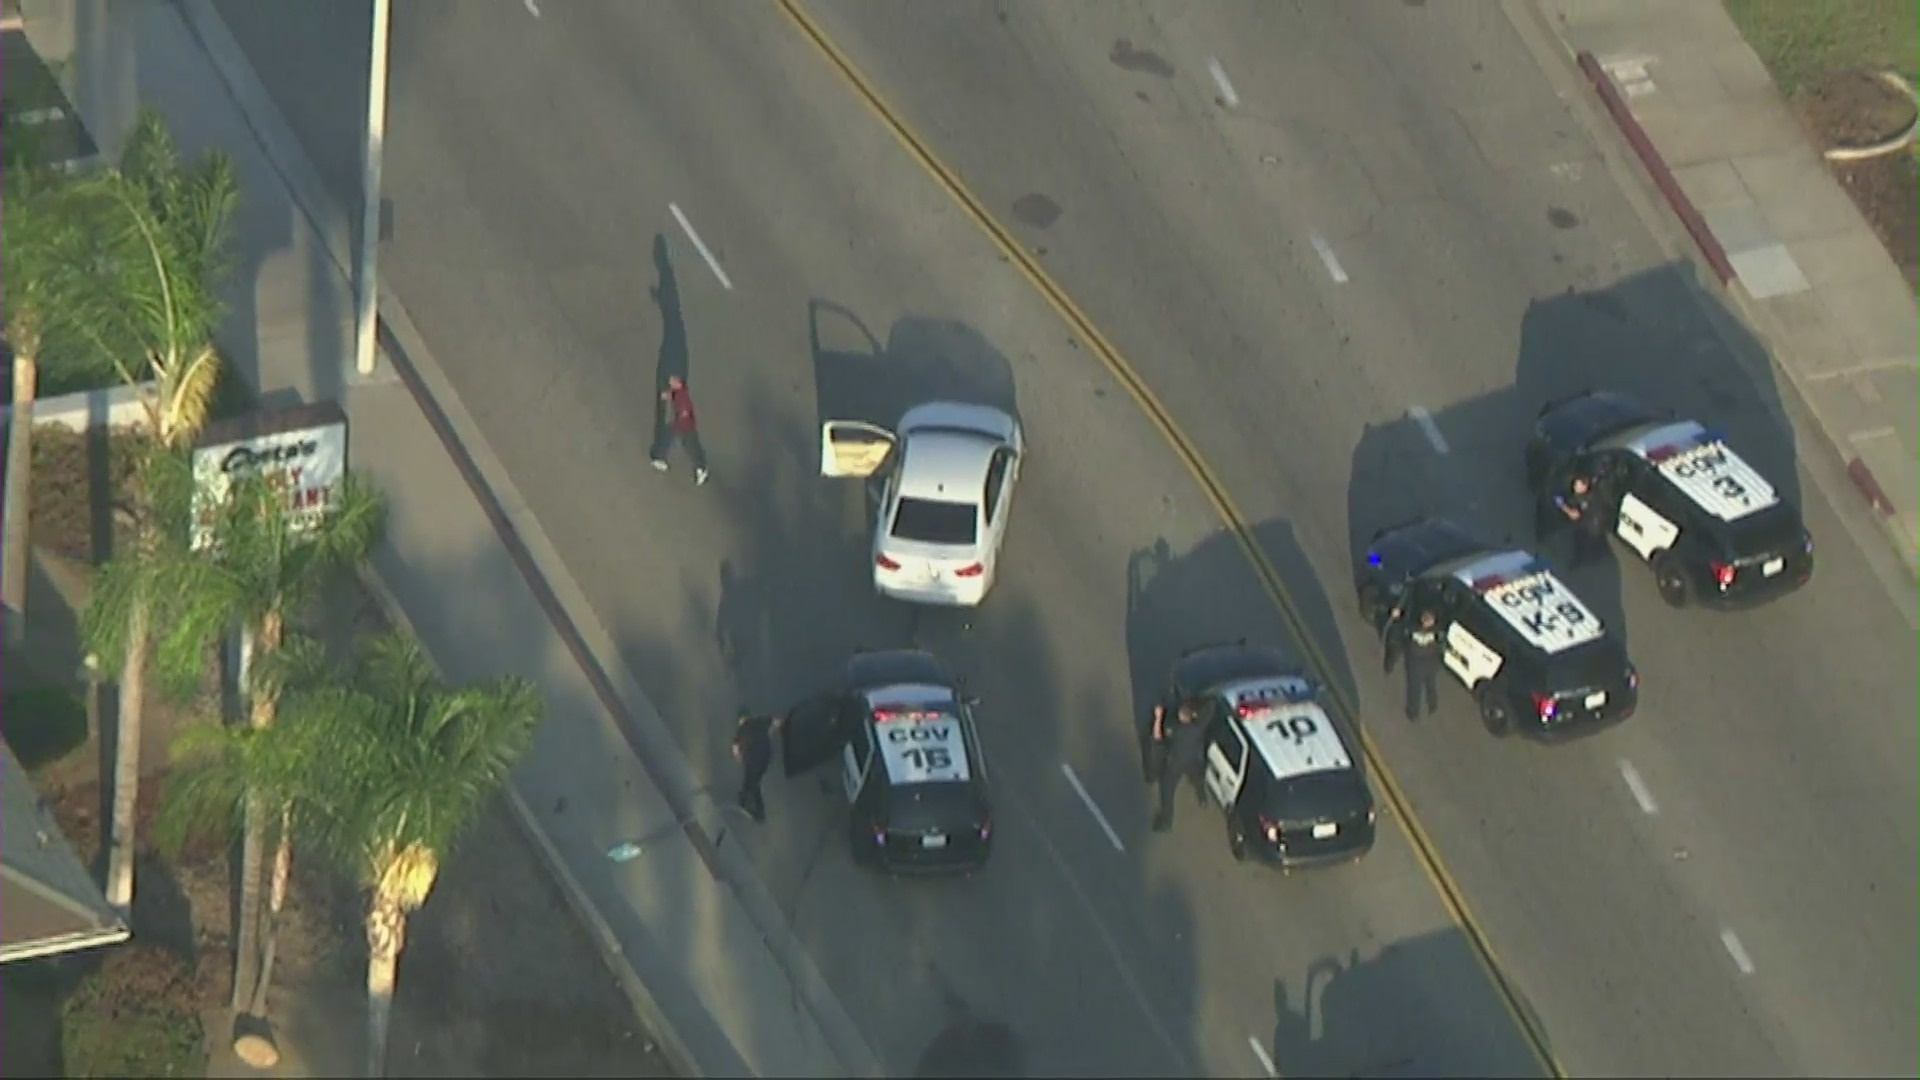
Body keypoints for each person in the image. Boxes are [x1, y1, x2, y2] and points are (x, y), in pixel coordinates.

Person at [1150, 699, 1208, 832]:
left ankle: (1166, 821)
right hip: (1193, 760)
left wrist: (1158, 718)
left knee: (1167, 790)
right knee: (1198, 779)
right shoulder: (1197, 727)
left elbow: (1158, 738)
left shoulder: (1175, 729)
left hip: (1175, 764)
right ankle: (1202, 798)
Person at [1384, 605, 1444, 722]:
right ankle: (1413, 713)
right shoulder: (1412, 628)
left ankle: (1432, 706)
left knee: (1430, 686)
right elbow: (1400, 632)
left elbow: (1441, 645)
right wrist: (1396, 617)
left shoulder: (1437, 631)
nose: (1427, 622)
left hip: (1429, 664)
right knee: (1414, 689)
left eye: (1429, 619)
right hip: (1415, 665)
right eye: (1425, 619)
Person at [650, 374, 710, 485]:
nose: (670, 384)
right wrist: (667, 395)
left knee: (684, 444)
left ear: (678, 383)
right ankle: (700, 467)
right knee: (689, 447)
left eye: (672, 382)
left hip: (685, 427)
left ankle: (701, 468)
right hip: (686, 426)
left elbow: (684, 412)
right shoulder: (679, 392)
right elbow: (672, 396)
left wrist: (676, 426)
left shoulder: (682, 396)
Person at [1543, 469, 1607, 566]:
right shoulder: (1572, 489)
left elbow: (1575, 515)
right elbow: (1558, 498)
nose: (1575, 487)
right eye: (1575, 484)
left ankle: (1582, 560)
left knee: (1582, 541)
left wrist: (1565, 508)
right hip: (1583, 520)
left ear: (1585, 487)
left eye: (1578, 486)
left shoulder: (1588, 499)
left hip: (1589, 523)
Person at [731, 711, 783, 822]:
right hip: (765, 759)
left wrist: (740, 760)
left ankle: (756, 810)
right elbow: (776, 722)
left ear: (741, 720)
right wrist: (773, 731)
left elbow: (735, 749)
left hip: (752, 762)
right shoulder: (760, 721)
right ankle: (746, 797)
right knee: (754, 780)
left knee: (751, 782)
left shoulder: (741, 730)